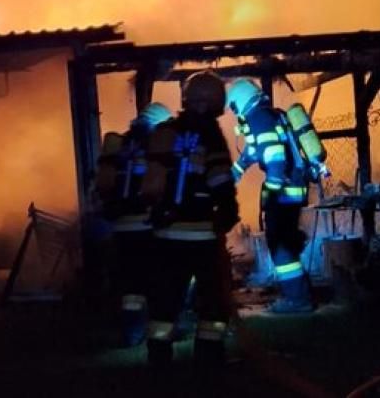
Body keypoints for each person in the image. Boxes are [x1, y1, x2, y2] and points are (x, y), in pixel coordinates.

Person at [141, 71, 239, 365]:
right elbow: (220, 178)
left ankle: (158, 359)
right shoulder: (209, 132)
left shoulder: (164, 132)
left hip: (166, 235)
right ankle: (209, 359)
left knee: (165, 301)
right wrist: (228, 212)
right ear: (215, 101)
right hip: (201, 236)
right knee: (212, 303)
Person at [226, 78, 324, 313]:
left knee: (279, 245)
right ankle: (301, 293)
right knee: (286, 243)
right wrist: (233, 174)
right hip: (293, 188)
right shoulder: (268, 115)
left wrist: (272, 190)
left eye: (233, 107)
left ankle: (297, 300)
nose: (233, 112)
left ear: (240, 102)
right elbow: (253, 151)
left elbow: (274, 154)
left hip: (283, 192)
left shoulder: (258, 118)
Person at [94, 102, 173, 346]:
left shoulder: (118, 146)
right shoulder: (157, 146)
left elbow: (101, 188)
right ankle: (160, 334)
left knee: (131, 286)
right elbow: (167, 186)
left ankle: (132, 332)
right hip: (149, 226)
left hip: (121, 228)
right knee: (158, 280)